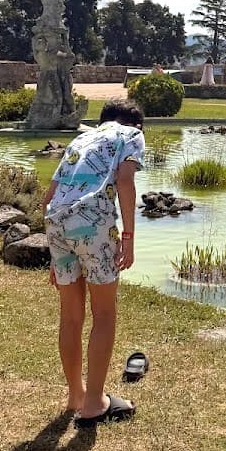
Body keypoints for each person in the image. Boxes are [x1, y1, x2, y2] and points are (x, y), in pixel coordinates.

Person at [42, 97, 145, 428]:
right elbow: (126, 182)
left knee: (70, 316)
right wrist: (128, 237)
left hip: (56, 223)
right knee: (104, 313)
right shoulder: (130, 135)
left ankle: (75, 394)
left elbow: (50, 196)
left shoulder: (80, 138)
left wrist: (54, 255)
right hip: (93, 223)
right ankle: (94, 403)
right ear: (136, 125)